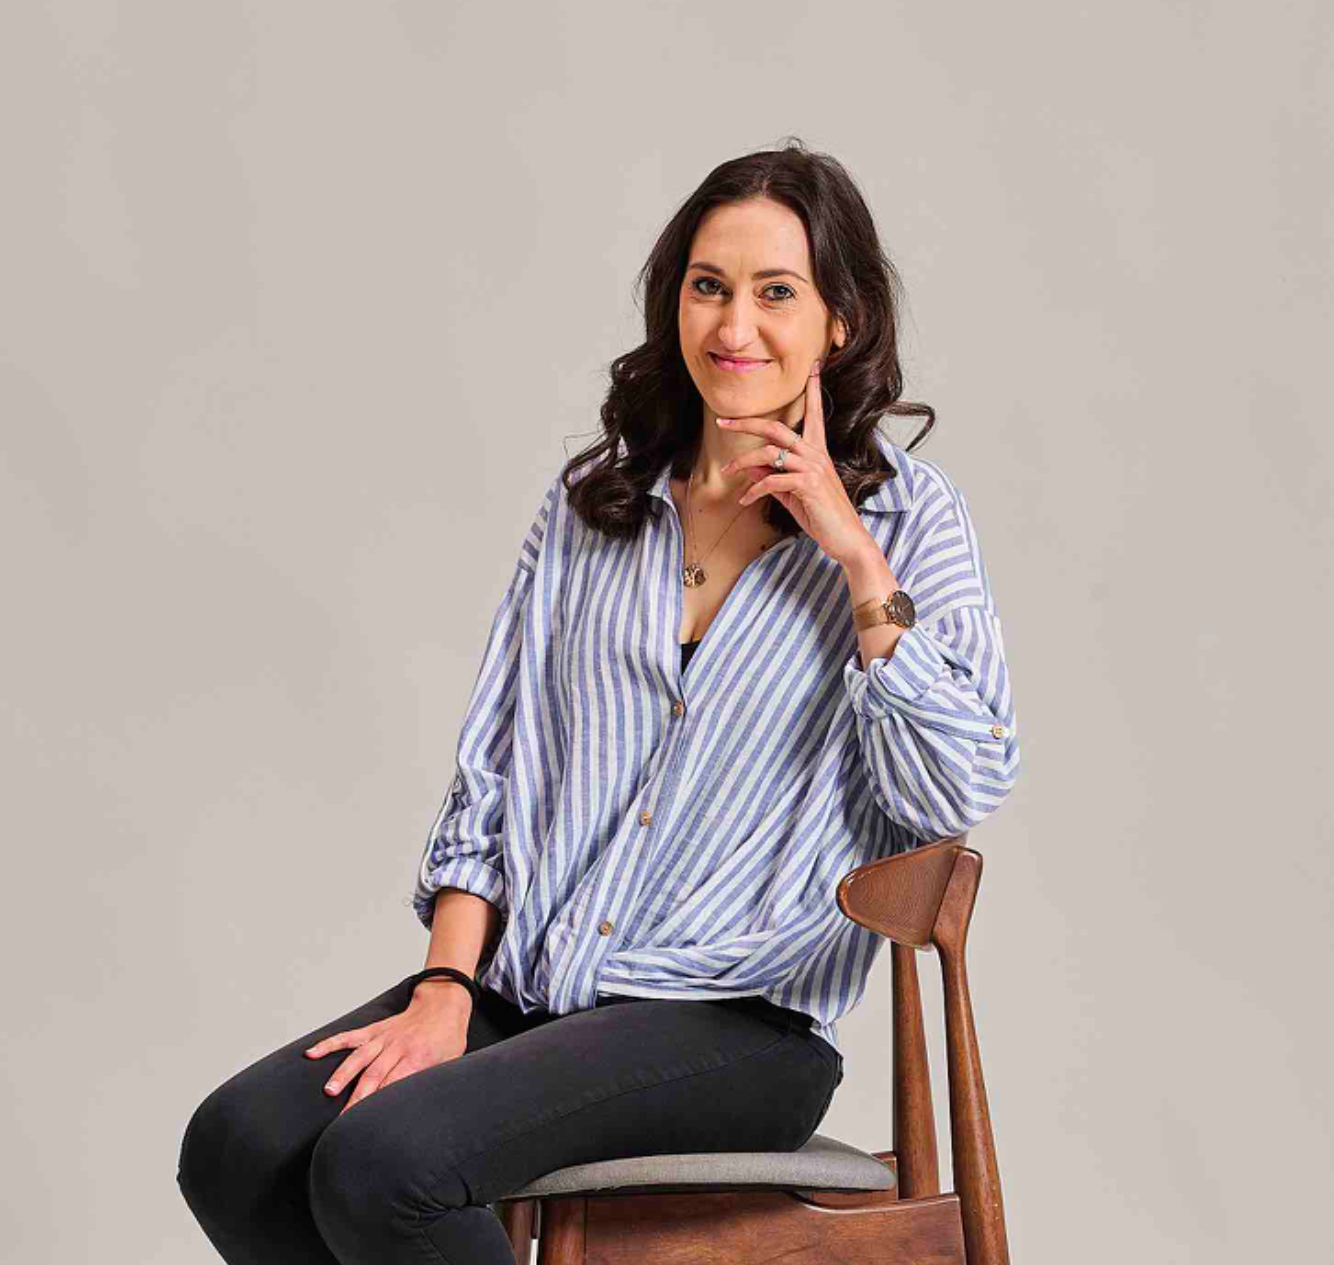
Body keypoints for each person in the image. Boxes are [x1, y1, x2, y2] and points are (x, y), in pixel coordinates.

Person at [176, 139, 1021, 1264]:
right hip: (533, 984)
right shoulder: (596, 502)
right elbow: (494, 764)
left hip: (737, 1020)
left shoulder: (912, 524)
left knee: (385, 1165)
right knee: (239, 1143)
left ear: (840, 322)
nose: (734, 326)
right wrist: (443, 985)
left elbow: (956, 786)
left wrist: (855, 559)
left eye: (776, 292)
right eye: (707, 286)